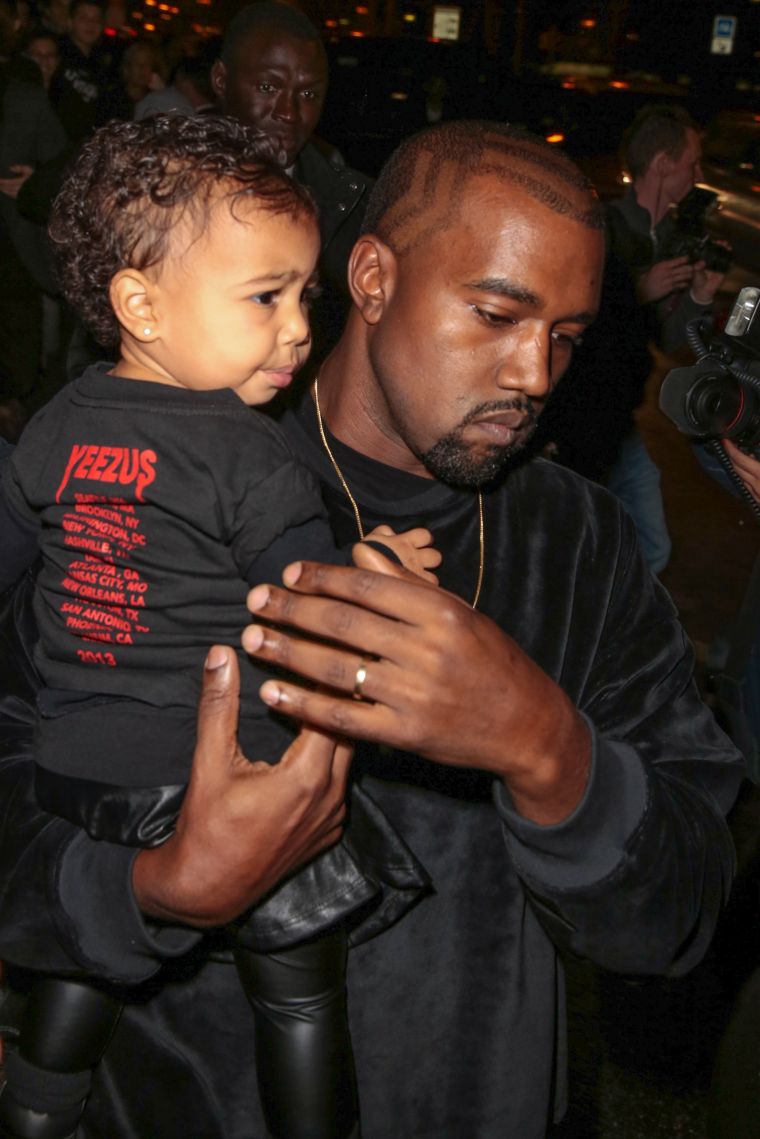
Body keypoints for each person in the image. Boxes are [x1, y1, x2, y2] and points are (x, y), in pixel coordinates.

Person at [0, 120, 745, 1139]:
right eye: (495, 313)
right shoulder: (154, 477)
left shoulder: (582, 544)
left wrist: (541, 742)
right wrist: (146, 888)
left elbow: (682, 913)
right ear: (372, 277)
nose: (535, 372)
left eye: (566, 334)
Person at [0, 114, 438, 1139]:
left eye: (303, 296)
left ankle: (29, 1113)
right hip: (231, 781)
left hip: (80, 783)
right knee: (296, 1001)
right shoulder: (255, 457)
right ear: (139, 304)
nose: (297, 328)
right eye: (264, 297)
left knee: (79, 972)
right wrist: (373, 569)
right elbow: (310, 608)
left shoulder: (59, 421)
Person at [211, 1, 372, 357]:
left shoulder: (353, 206)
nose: (288, 112)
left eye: (308, 95)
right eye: (268, 88)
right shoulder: (161, 189)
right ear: (221, 80)